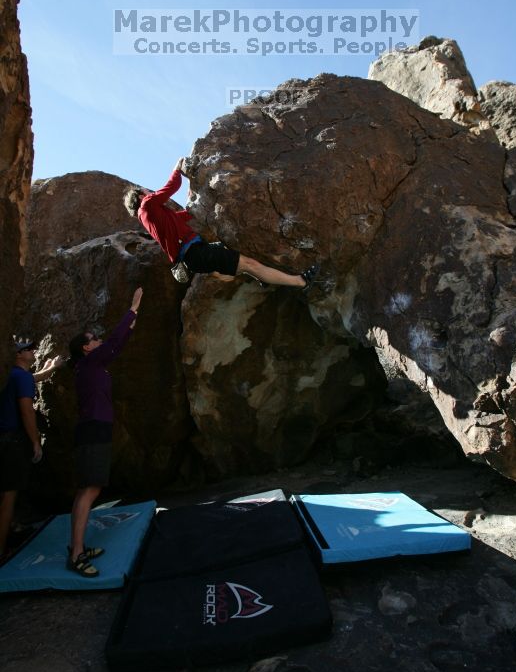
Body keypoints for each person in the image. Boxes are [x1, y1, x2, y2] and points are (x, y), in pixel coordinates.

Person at [123, 158, 320, 289]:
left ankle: (262, 277)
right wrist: (177, 168)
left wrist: (193, 202)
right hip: (196, 253)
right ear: (141, 195)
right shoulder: (147, 204)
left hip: (195, 256)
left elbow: (181, 217)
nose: (150, 192)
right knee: (249, 264)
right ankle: (300, 281)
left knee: (242, 261)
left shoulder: (150, 217)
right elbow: (171, 186)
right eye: (146, 191)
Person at [67, 288, 143, 577]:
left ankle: (77, 546)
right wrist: (133, 307)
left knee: (86, 489)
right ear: (86, 348)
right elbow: (112, 342)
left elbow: (116, 342)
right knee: (90, 489)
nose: (97, 341)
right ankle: (76, 554)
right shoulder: (89, 363)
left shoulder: (90, 366)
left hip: (92, 429)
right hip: (93, 431)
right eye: (93, 340)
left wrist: (131, 321)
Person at [0, 339, 63, 560]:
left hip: (3, 439)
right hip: (13, 441)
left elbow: (33, 378)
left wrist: (51, 368)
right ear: (18, 355)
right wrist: (35, 441)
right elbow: (27, 410)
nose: (34, 351)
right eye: (28, 350)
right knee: (9, 494)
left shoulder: (13, 376)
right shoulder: (21, 376)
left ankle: (11, 529)